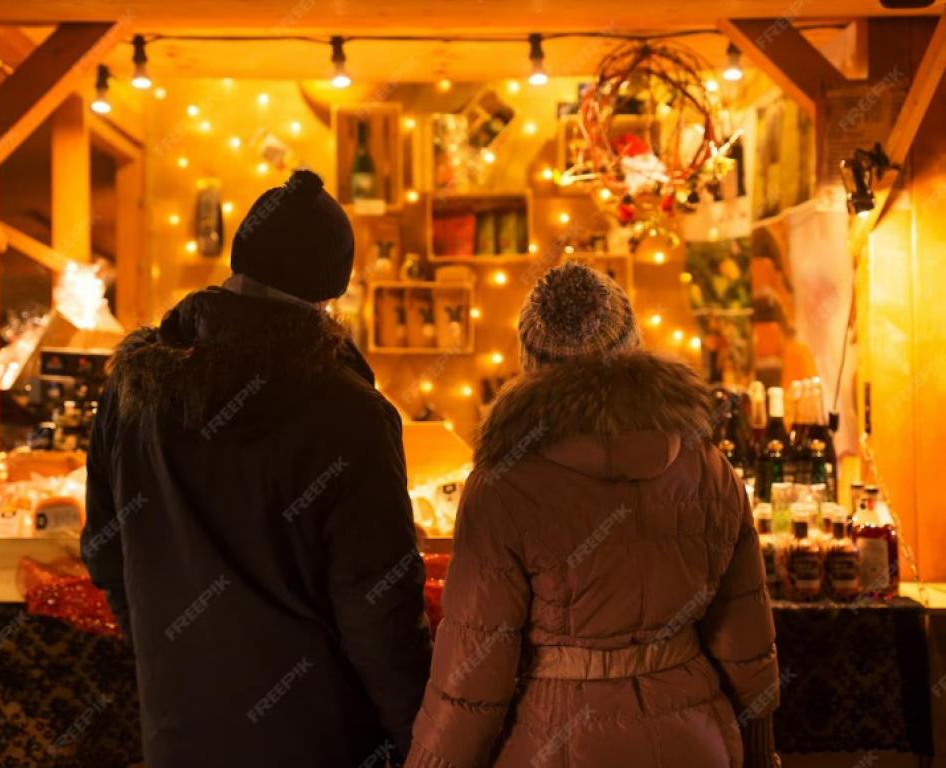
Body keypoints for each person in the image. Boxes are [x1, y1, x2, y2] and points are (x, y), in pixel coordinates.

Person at [82, 170, 431, 768]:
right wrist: (421, 740)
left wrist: (171, 660)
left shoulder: (133, 386)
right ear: (327, 292)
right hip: (323, 737)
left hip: (180, 733)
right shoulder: (350, 412)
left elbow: (106, 551)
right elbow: (378, 609)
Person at [405, 263, 780, 768]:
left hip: (556, 740)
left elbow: (471, 678)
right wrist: (760, 750)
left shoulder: (502, 485)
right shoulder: (706, 464)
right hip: (694, 737)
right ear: (632, 343)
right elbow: (747, 640)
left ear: (530, 360)